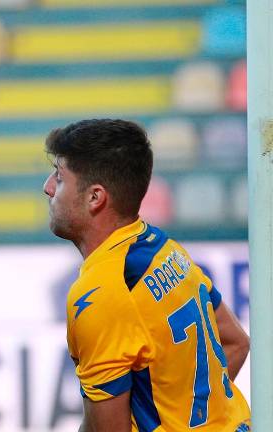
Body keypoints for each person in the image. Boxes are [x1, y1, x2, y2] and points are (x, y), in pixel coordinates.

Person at [42, 119, 251, 431]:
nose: (47, 187)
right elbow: (236, 342)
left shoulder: (99, 295)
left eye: (59, 177)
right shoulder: (165, 249)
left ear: (95, 197)